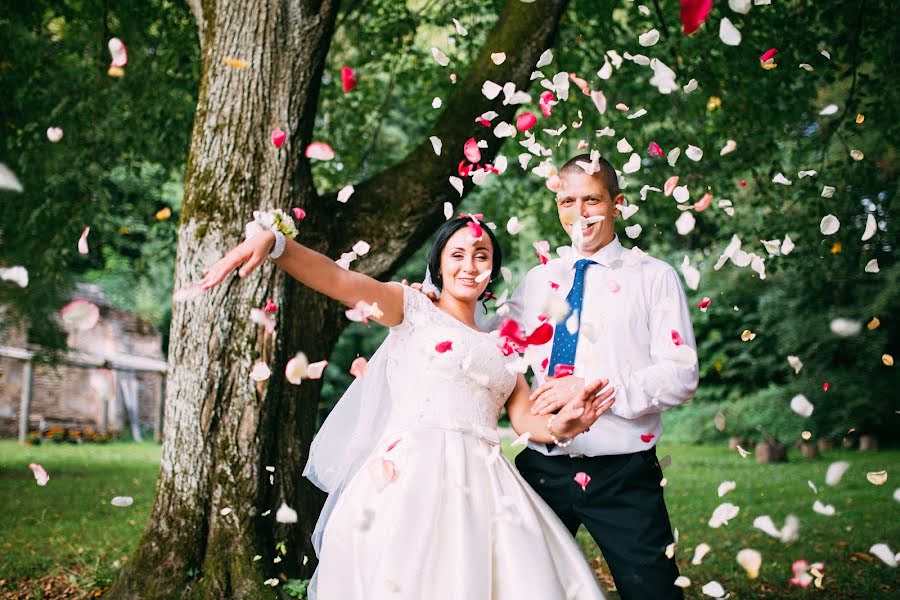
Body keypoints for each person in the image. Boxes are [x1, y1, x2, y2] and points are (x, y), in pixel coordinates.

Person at [198, 215, 615, 599]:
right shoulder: (411, 308)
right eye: (458, 254)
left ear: (492, 269)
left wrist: (565, 427)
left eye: (481, 255)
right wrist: (276, 244)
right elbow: (340, 280)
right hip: (408, 478)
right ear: (438, 264)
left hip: (487, 485)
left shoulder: (503, 343)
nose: (469, 265)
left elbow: (525, 419)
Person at [502, 154, 699, 599]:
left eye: (592, 199)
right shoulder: (538, 280)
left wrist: (589, 386)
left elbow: (682, 374)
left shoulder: (654, 277)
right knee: (521, 589)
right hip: (542, 467)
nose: (580, 212)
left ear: (617, 204)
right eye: (567, 200)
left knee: (654, 594)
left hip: (624, 473)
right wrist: (432, 304)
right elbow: (495, 344)